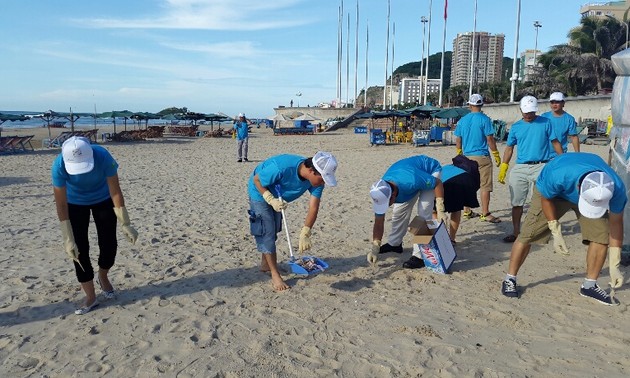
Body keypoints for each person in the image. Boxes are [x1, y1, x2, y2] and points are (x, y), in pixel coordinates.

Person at [501, 153, 626, 305]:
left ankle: (589, 285)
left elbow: (616, 224)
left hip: (588, 193)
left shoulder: (616, 188)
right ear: (579, 187)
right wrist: (555, 229)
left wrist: (614, 263)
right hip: (555, 193)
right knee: (528, 234)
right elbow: (546, 199)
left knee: (601, 236)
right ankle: (510, 278)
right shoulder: (557, 175)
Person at [52, 136, 138, 315]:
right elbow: (60, 204)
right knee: (78, 250)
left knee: (109, 244)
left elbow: (115, 191)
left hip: (103, 199)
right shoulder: (58, 165)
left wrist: (125, 222)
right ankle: (90, 296)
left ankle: (103, 275)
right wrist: (68, 237)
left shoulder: (103, 156)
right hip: (74, 204)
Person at [247, 151, 338, 291]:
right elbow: (257, 180)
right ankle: (275, 274)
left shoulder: (317, 182)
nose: (324, 182)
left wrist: (306, 231)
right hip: (260, 192)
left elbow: (314, 206)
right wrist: (270, 199)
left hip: (279, 196)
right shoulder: (282, 167)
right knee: (267, 232)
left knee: (274, 229)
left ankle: (265, 264)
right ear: (311, 170)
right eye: (323, 178)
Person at [498, 95, 563, 243]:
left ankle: (541, 232)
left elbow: (555, 142)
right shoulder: (515, 127)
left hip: (541, 165)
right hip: (521, 167)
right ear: (520, 110)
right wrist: (504, 166)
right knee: (517, 202)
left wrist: (562, 160)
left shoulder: (546, 123)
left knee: (544, 200)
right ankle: (516, 232)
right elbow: (509, 148)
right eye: (526, 112)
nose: (528, 115)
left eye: (531, 112)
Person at [367, 155, 445, 265]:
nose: (387, 205)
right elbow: (379, 222)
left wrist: (440, 208)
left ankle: (420, 255)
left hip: (430, 171)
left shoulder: (411, 180)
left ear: (393, 195)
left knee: (424, 212)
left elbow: (437, 183)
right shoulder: (380, 191)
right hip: (410, 178)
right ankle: (395, 244)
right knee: (398, 212)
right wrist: (375, 246)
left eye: (388, 202)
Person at [401, 163, 481, 269]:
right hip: (462, 180)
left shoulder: (428, 174)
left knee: (435, 209)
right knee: (456, 209)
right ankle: (451, 239)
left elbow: (433, 207)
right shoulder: (450, 168)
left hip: (449, 183)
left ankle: (443, 239)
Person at [454, 93, 502, 223]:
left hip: (466, 157)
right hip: (481, 156)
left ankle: (467, 210)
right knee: (485, 186)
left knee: (468, 185)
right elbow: (490, 139)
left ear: (469, 105)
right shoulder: (485, 119)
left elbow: (458, 139)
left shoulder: (462, 120)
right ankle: (485, 213)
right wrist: (496, 154)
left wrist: (459, 152)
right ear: (481, 104)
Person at [541, 92, 580, 157]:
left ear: (563, 103)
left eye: (557, 102)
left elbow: (573, 137)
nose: (554, 104)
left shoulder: (569, 119)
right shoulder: (544, 117)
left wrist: (578, 154)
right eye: (552, 102)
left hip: (560, 154)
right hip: (544, 155)